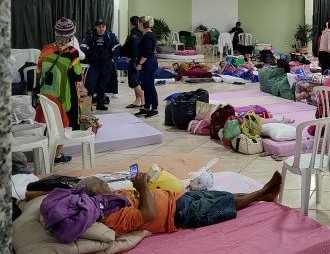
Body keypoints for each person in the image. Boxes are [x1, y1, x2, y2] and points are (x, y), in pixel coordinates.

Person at [79, 171, 282, 236]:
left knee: (220, 194)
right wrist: (142, 188)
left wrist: (141, 186)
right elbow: (147, 214)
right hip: (179, 214)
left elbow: (140, 199)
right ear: (96, 193)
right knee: (224, 202)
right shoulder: (112, 216)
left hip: (177, 199)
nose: (108, 185)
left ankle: (263, 195)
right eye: (103, 184)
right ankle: (263, 192)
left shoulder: (111, 198)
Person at [35, 18, 83, 164]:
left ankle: (50, 153)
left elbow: (38, 71)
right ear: (71, 35)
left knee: (50, 124)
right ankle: (57, 155)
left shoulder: (45, 49)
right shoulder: (72, 52)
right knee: (61, 124)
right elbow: (77, 75)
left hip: (45, 94)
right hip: (62, 96)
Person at [82, 19, 119, 111]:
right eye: (99, 27)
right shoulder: (90, 35)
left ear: (106, 27)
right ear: (96, 27)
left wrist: (113, 60)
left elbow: (117, 49)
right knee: (90, 84)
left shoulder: (111, 36)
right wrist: (88, 55)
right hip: (93, 64)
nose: (101, 29)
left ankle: (100, 104)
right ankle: (88, 105)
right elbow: (83, 48)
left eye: (103, 26)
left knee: (102, 84)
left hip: (106, 64)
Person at [135, 16, 159, 118]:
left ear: (143, 24)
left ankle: (154, 109)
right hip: (147, 63)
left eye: (139, 23)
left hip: (148, 63)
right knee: (145, 86)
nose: (138, 25)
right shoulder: (146, 34)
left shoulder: (149, 36)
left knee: (149, 86)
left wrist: (140, 64)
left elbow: (147, 52)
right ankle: (146, 107)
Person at [122, 16, 144, 109]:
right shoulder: (141, 33)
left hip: (134, 60)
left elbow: (134, 47)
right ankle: (137, 101)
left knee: (134, 81)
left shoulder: (135, 34)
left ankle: (143, 100)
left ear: (131, 23)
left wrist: (130, 57)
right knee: (136, 81)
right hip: (137, 59)